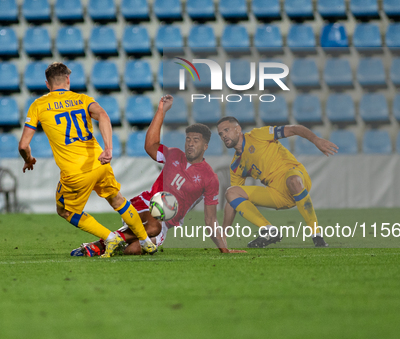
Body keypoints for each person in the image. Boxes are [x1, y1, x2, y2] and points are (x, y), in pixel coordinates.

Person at [72, 95, 245, 256]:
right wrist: (161, 111)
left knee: (133, 250)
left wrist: (225, 250)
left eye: (196, 140)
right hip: (146, 204)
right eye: (188, 139)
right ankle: (98, 244)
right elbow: (150, 146)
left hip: (166, 224)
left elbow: (210, 219)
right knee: (153, 226)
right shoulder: (174, 155)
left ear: (205, 146)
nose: (190, 144)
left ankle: (115, 240)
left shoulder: (210, 178)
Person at [18, 62, 156, 258]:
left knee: (64, 211)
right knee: (116, 198)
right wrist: (108, 149)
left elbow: (23, 145)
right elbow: (104, 117)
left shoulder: (38, 105)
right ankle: (146, 242)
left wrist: (29, 158)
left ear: (47, 84)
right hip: (100, 162)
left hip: (76, 172)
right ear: (68, 80)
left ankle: (109, 237)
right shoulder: (83, 99)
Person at [216, 117, 338, 248]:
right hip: (277, 194)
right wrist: (223, 233)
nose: (224, 136)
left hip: (295, 176)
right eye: (221, 134)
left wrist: (316, 140)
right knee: (231, 192)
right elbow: (232, 202)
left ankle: (317, 235)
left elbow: (294, 129)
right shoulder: (236, 165)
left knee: (293, 180)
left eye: (226, 130)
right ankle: (269, 230)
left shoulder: (258, 135)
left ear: (238, 129)